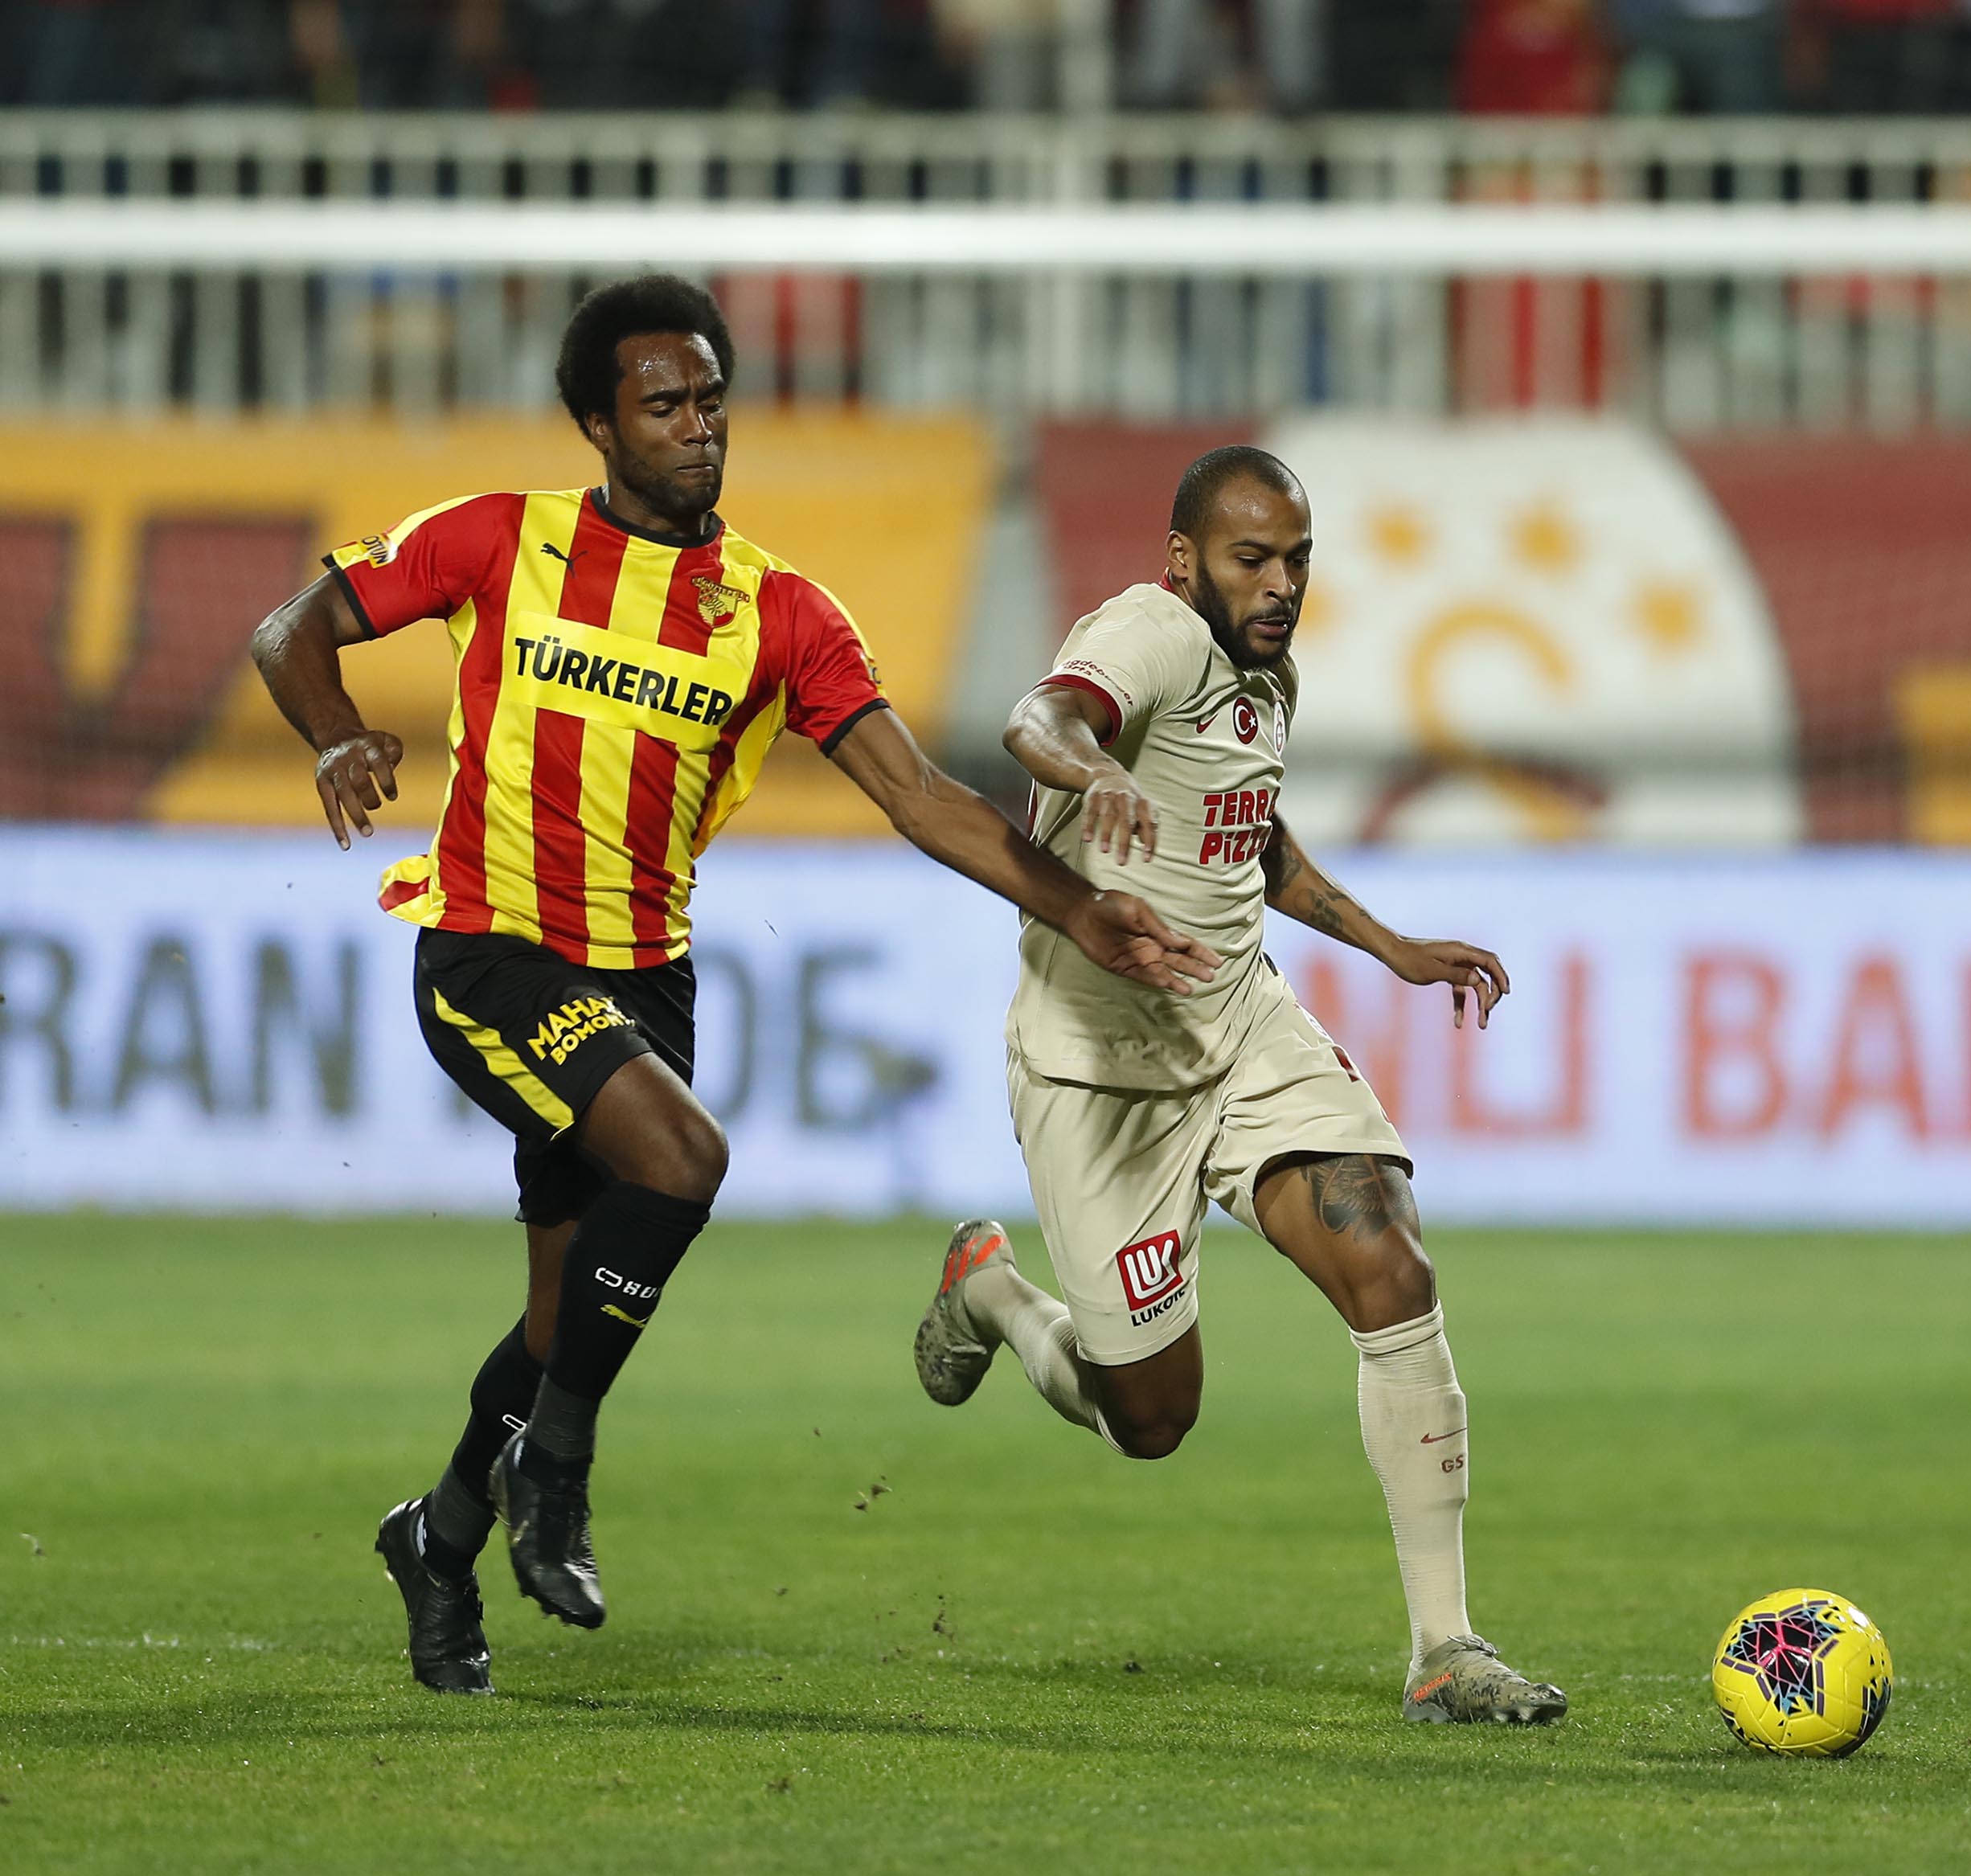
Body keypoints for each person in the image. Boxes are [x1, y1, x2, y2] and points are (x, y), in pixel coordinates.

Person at [247, 273, 1218, 1696]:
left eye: (711, 399)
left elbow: (921, 795)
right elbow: (291, 632)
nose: (698, 426)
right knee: (684, 1158)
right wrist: (336, 733)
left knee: (558, 1321)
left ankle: (439, 1538)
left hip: (647, 981)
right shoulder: (498, 538)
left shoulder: (779, 611)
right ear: (597, 424)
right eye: (664, 405)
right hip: (492, 949)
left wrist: (1079, 909)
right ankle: (555, 1472)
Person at [914, 446, 1567, 1726]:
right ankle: (990, 1291)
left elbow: (1249, 836)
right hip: (1100, 1067)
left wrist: (1386, 944)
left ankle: (1447, 1650)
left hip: (1238, 1019)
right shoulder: (1148, 634)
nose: (1280, 585)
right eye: (1251, 559)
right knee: (1151, 1417)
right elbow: (1038, 721)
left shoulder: (1269, 674)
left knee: (1388, 1258)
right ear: (1184, 561)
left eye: (1297, 560)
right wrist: (1097, 771)